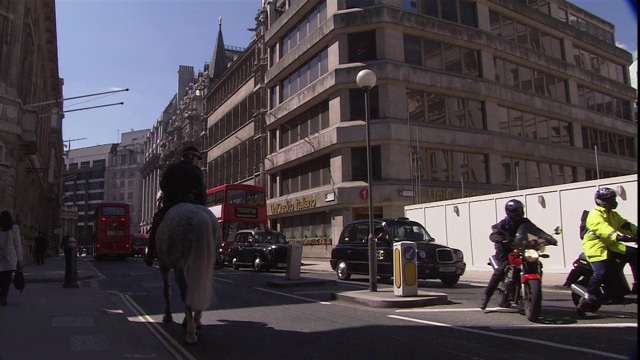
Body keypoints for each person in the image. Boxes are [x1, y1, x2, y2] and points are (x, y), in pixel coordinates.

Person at [479, 199, 557, 310]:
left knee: (537, 263)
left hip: (520, 247)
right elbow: (493, 233)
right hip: (505, 248)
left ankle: (535, 291)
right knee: (500, 270)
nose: (519, 213)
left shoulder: (525, 222)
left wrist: (549, 238)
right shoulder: (503, 224)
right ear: (509, 212)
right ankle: (486, 297)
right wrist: (498, 238)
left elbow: (537, 231)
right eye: (516, 210)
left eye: (521, 210)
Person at [578, 187, 638, 313]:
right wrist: (617, 236)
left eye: (614, 198)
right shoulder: (595, 214)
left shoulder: (613, 215)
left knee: (635, 254)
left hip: (611, 245)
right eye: (611, 199)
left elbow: (625, 225)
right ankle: (586, 298)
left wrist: (635, 232)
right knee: (601, 273)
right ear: (601, 201)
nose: (614, 201)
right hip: (596, 247)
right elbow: (602, 228)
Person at [145, 146, 206, 266]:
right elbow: (202, 191)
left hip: (172, 204)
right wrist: (203, 207)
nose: (197, 161)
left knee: (157, 221)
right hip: (192, 203)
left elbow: (163, 185)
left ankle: (150, 254)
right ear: (190, 156)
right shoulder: (197, 171)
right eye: (196, 158)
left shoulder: (172, 168)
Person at [0, 210, 23, 306]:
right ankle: (3, 297)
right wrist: (20, 259)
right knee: (7, 279)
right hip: (11, 257)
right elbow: (17, 244)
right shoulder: (15, 228)